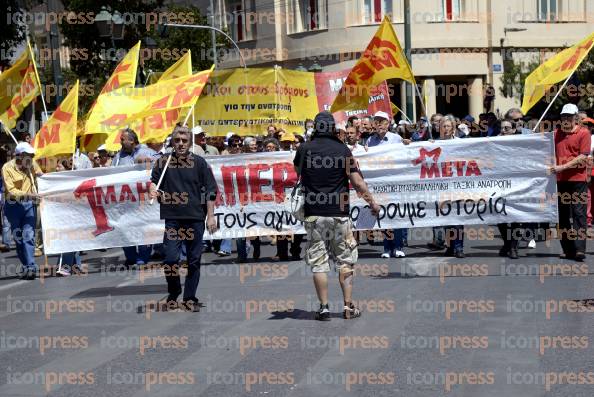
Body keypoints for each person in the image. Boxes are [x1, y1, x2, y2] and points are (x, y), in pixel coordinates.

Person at [295, 111, 380, 321]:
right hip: (339, 214)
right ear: (333, 128)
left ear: (315, 127)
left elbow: (297, 171)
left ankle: (324, 308)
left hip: (314, 213)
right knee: (345, 260)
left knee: (319, 262)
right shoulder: (342, 150)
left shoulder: (304, 148)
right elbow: (358, 183)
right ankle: (348, 307)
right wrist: (373, 202)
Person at [149, 124, 218, 311]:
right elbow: (154, 182)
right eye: (177, 140)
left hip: (195, 217)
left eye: (184, 140)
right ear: (172, 141)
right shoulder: (163, 163)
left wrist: (211, 217)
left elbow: (211, 191)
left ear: (190, 142)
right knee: (171, 259)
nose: (180, 144)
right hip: (173, 218)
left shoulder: (199, 163)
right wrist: (153, 190)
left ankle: (190, 297)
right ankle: (174, 290)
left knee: (194, 260)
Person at [550, 104, 591, 262]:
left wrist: (563, 166)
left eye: (569, 116)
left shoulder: (584, 133)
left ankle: (580, 249)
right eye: (563, 116)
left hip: (577, 180)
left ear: (576, 118)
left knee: (579, 214)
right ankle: (568, 250)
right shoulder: (556, 133)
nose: (565, 119)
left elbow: (583, 156)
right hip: (560, 181)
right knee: (562, 216)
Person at [111, 128, 156, 266]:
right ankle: (130, 256)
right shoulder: (118, 158)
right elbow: (110, 174)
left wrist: (149, 161)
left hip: (143, 199)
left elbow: (163, 162)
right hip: (125, 201)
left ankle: (143, 256)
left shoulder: (147, 151)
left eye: (122, 139)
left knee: (143, 228)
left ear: (132, 140)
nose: (120, 141)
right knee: (125, 228)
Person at [366, 111, 406, 258]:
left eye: (382, 121)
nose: (379, 124)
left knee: (396, 214)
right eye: (376, 121)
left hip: (395, 182)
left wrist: (409, 145)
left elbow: (407, 155)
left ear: (388, 124)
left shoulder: (396, 139)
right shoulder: (370, 141)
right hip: (379, 183)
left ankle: (398, 246)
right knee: (383, 214)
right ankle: (387, 248)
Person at [2, 142, 43, 280]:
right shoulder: (7, 168)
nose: (31, 157)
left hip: (29, 205)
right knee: (19, 239)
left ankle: (31, 267)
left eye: (32, 155)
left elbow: (42, 177)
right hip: (13, 206)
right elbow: (11, 190)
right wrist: (29, 195)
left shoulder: (33, 165)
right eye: (28, 155)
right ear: (19, 156)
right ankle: (26, 266)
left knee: (28, 236)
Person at [495, 120, 522, 259]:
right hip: (499, 185)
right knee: (500, 215)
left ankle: (513, 247)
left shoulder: (520, 143)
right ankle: (507, 243)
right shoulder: (494, 143)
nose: (504, 130)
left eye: (507, 128)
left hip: (517, 184)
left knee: (516, 216)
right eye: (502, 128)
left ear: (513, 130)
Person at [440, 115, 465, 258]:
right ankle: (449, 246)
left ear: (453, 128)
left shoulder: (460, 143)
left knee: (458, 218)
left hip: (457, 185)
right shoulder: (434, 144)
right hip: (442, 187)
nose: (445, 129)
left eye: (448, 126)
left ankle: (459, 247)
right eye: (443, 126)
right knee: (446, 218)